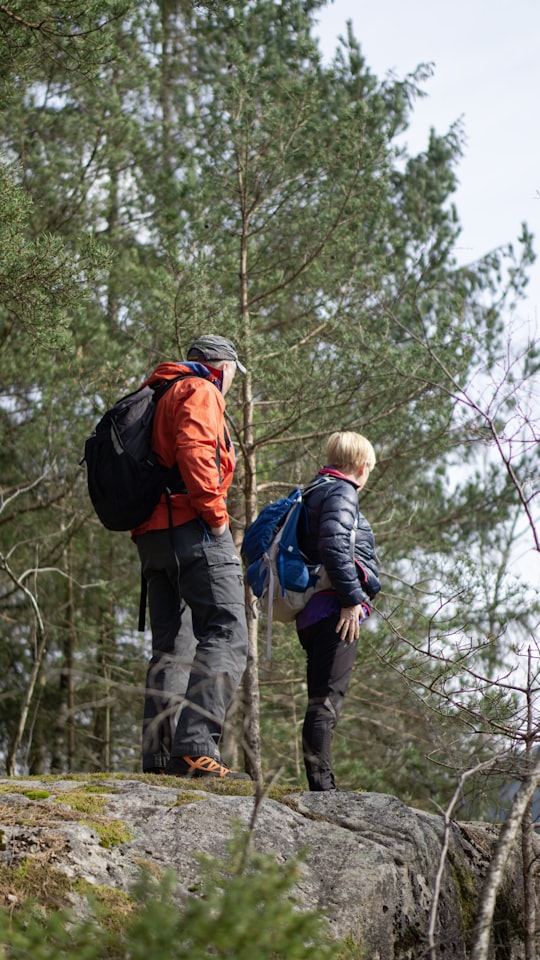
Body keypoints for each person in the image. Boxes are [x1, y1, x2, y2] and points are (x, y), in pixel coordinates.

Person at [132, 335, 250, 780]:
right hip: (193, 529)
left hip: (153, 538)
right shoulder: (199, 390)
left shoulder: (156, 391)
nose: (233, 383)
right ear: (221, 366)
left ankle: (160, 757)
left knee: (172, 646)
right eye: (234, 374)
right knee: (227, 632)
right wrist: (218, 519)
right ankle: (196, 747)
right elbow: (197, 453)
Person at [296, 431, 381, 791]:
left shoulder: (315, 488)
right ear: (362, 467)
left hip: (312, 611)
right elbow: (333, 546)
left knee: (321, 698)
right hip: (334, 610)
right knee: (326, 703)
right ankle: (323, 787)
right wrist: (350, 600)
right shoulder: (341, 491)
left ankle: (321, 782)